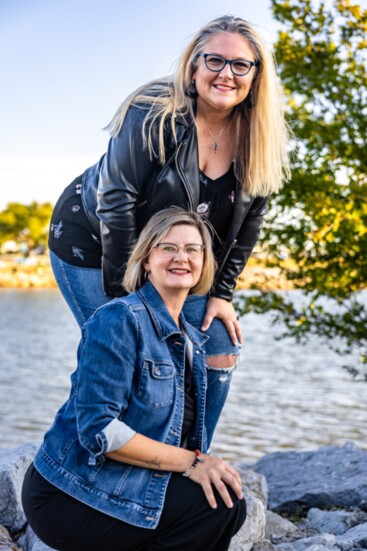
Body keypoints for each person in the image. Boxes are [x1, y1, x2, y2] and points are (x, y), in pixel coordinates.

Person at [48, 14, 290, 445]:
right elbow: (116, 202)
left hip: (171, 257)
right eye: (214, 60)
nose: (226, 74)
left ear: (256, 76)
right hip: (93, 243)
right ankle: (70, 474)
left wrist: (222, 294)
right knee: (124, 357)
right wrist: (131, 308)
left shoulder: (260, 134)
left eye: (241, 65)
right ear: (194, 65)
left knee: (219, 346)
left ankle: (190, 466)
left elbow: (250, 223)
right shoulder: (155, 112)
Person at [22, 208, 247, 551]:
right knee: (212, 509)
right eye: (167, 248)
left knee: (226, 500)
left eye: (192, 249)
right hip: (68, 492)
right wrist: (194, 463)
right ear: (146, 260)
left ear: (205, 262)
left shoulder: (190, 338)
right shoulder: (119, 319)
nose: (180, 257)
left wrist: (201, 465)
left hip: (127, 480)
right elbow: (98, 429)